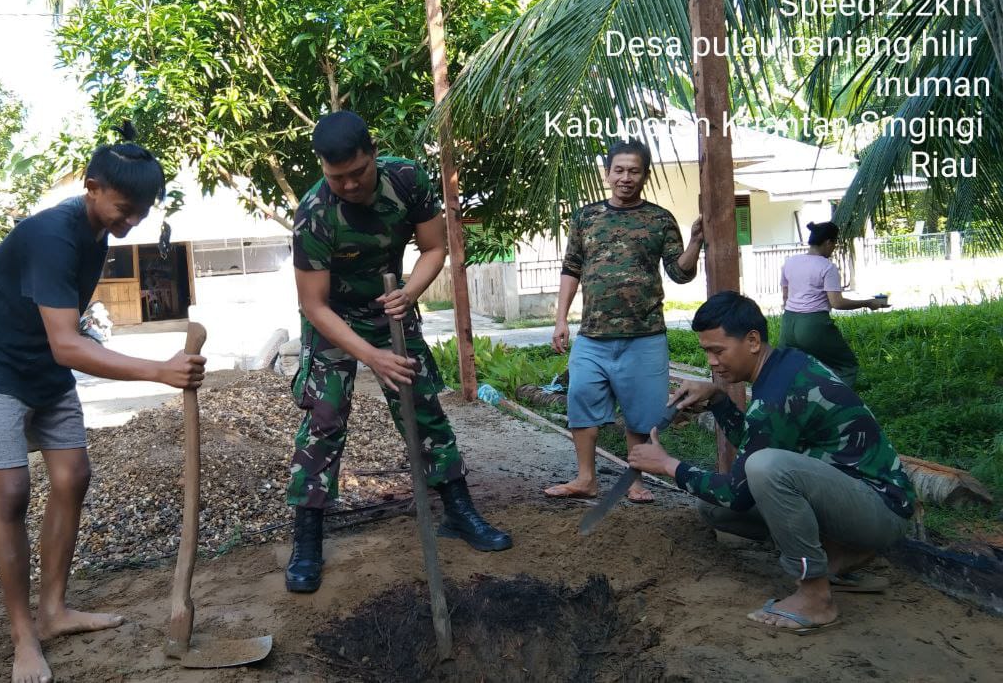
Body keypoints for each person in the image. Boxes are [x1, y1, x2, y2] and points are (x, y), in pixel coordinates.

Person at [0, 141, 205, 683]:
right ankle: (24, 636)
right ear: (91, 188)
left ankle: (54, 611)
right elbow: (69, 345)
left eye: (141, 212)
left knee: (72, 475)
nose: (133, 222)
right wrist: (157, 371)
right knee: (13, 491)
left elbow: (60, 339)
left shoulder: (96, 234)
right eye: (124, 210)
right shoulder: (51, 236)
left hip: (43, 366)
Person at [283, 110, 511, 594]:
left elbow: (434, 248)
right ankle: (307, 537)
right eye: (335, 177)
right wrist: (370, 355)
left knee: (424, 406)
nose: (347, 185)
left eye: (357, 173)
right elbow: (313, 305)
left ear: (373, 154)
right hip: (334, 320)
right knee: (324, 419)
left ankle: (458, 509)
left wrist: (410, 293)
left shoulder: (406, 178)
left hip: (392, 306)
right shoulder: (314, 212)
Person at [628, 291, 915, 634]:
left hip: (881, 510)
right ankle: (839, 557)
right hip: (852, 499)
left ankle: (815, 596)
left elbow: (740, 489)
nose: (712, 362)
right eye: (706, 351)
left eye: (717, 350)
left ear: (752, 341)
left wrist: (667, 465)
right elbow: (757, 442)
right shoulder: (784, 366)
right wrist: (719, 400)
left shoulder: (780, 393)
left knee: (766, 469)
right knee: (714, 509)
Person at [546, 138, 702, 503]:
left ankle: (635, 481)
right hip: (592, 335)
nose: (626, 177)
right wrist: (560, 320)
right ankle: (586, 478)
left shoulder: (660, 219)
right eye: (619, 170)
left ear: (645, 175)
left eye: (634, 171)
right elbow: (571, 267)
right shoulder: (586, 217)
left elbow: (680, 274)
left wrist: (696, 242)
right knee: (581, 401)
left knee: (641, 412)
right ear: (607, 174)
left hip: (645, 336)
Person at [780, 221, 889, 387]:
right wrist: (868, 302)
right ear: (828, 242)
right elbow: (837, 303)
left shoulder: (790, 262)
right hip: (813, 325)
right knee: (847, 365)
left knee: (796, 368)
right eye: (834, 244)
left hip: (788, 324)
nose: (834, 249)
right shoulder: (827, 267)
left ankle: (796, 406)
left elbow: (785, 296)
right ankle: (838, 407)